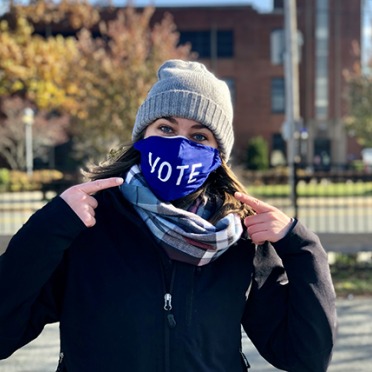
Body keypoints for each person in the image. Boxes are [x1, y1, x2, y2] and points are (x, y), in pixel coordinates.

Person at [0, 59, 336, 371]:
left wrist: (298, 243)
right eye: (165, 128)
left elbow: (305, 355)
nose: (179, 145)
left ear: (218, 155)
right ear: (142, 135)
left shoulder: (241, 236)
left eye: (198, 136)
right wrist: (47, 228)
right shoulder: (88, 222)